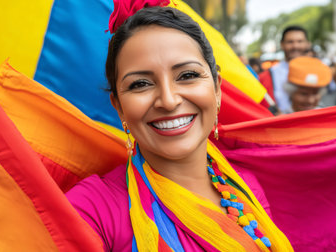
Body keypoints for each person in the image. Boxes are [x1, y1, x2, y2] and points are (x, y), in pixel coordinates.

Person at [66, 4, 292, 251]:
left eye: (187, 76)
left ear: (217, 90)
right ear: (119, 107)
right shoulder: (92, 210)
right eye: (140, 83)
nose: (169, 100)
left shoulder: (245, 187)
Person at [259, 25, 311, 112]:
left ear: (307, 44)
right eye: (290, 42)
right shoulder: (268, 75)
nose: (295, 46)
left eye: (300, 41)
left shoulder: (321, 70)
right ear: (282, 44)